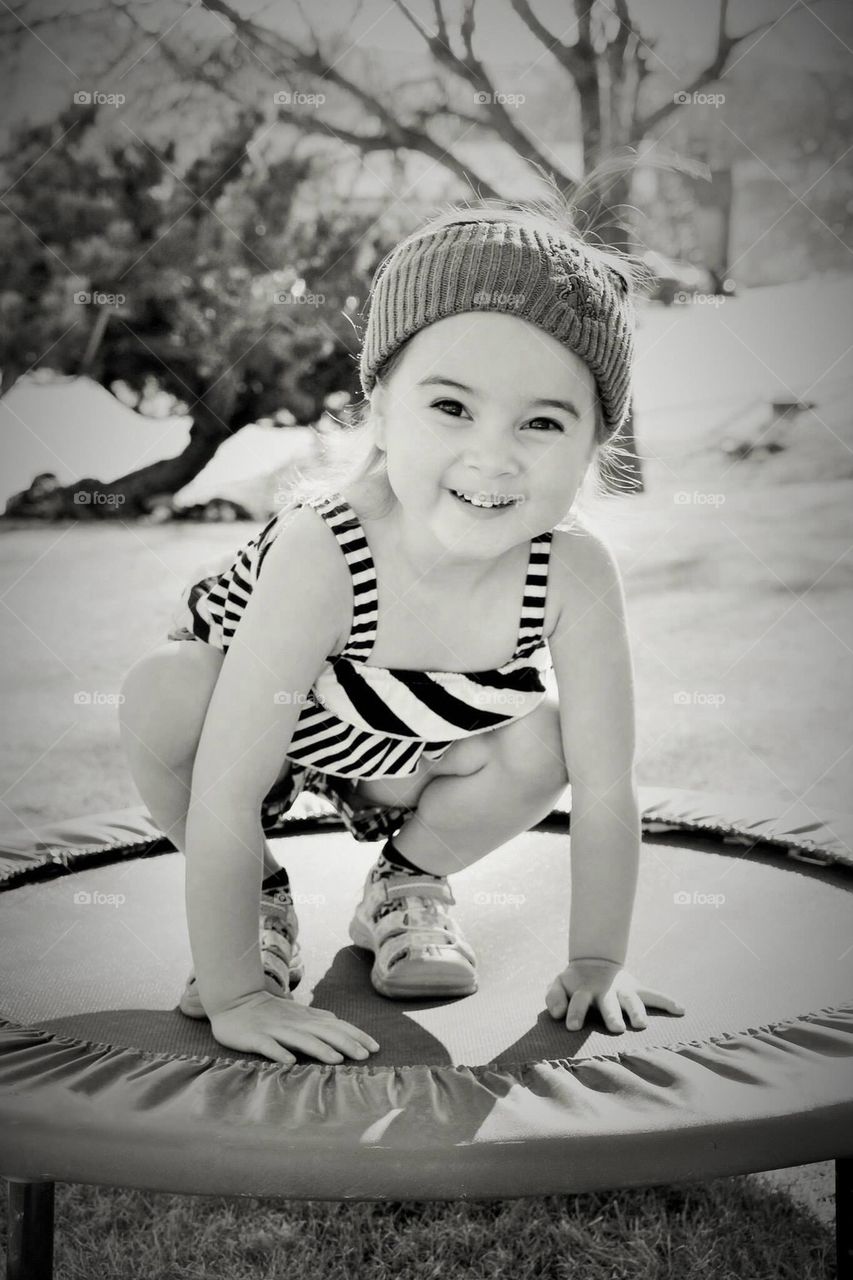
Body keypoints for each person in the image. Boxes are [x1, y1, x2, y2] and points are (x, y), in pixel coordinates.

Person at [118, 195, 685, 1068]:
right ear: (379, 408)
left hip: (409, 758)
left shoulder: (572, 570)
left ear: (594, 445)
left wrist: (597, 960)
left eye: (541, 422)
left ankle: (405, 881)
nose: (492, 457)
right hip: (259, 744)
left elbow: (607, 786)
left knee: (550, 745)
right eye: (450, 407)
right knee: (162, 688)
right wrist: (236, 996)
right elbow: (227, 787)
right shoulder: (327, 548)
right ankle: (262, 899)